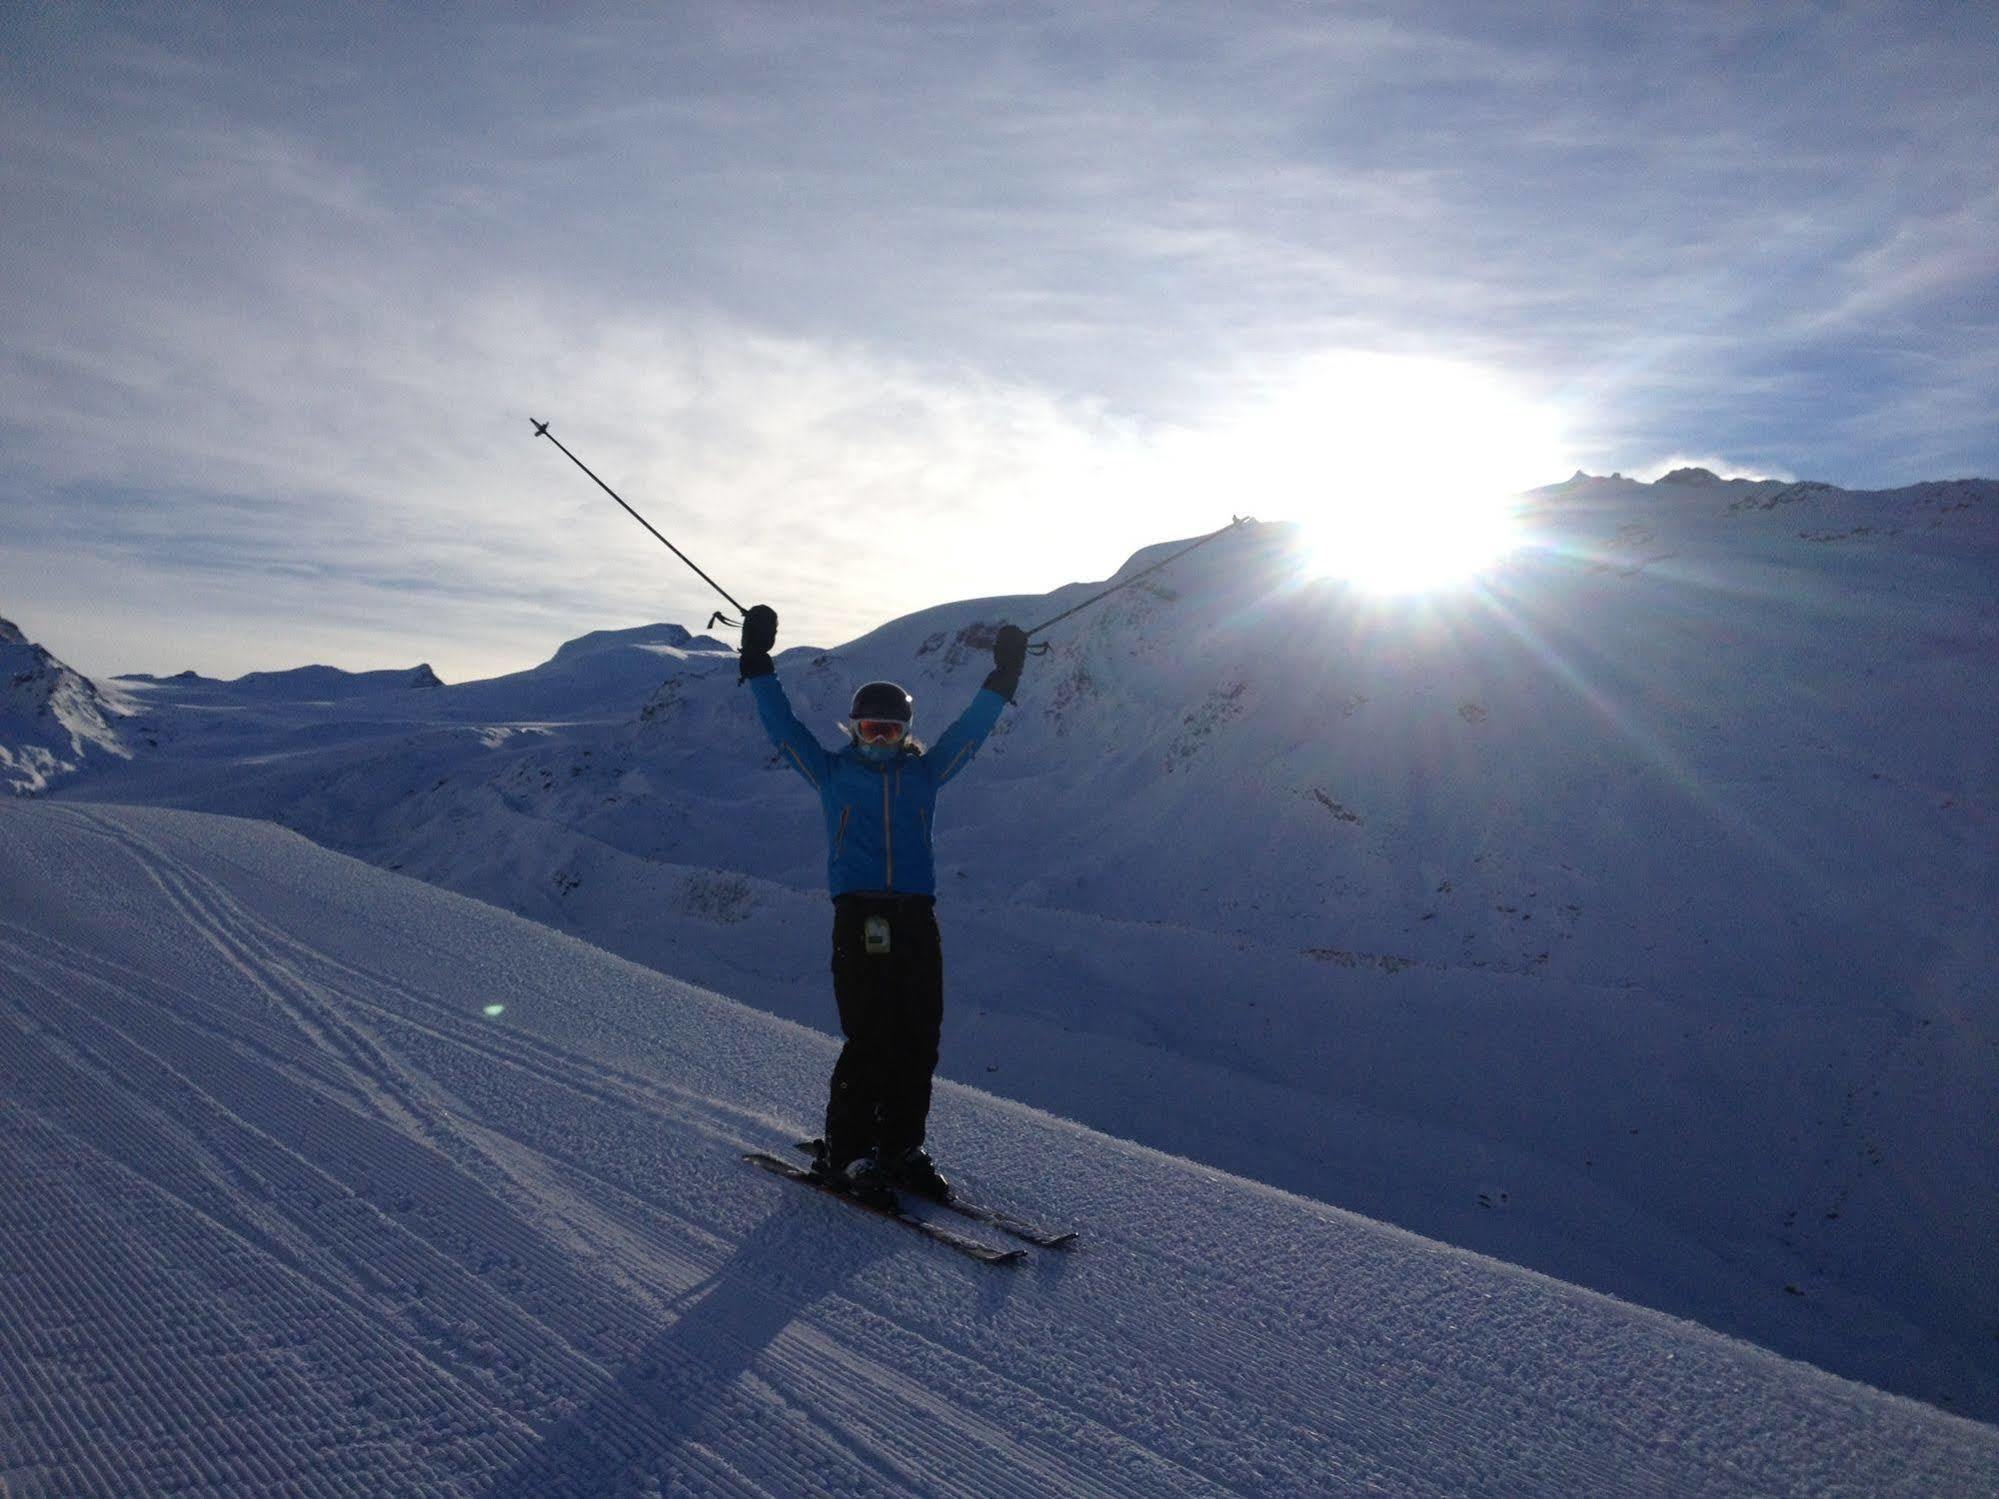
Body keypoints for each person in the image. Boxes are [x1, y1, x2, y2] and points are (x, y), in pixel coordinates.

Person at [738, 603, 1027, 1203]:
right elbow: (783, 729)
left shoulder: (923, 775)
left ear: (904, 733)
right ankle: (847, 1152)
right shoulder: (831, 774)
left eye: (890, 731)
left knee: (919, 1033)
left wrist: (1003, 679)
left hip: (916, 916)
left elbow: (969, 734)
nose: (880, 740)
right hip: (861, 914)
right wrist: (758, 664)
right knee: (870, 1035)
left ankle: (900, 1146)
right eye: (870, 730)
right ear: (853, 729)